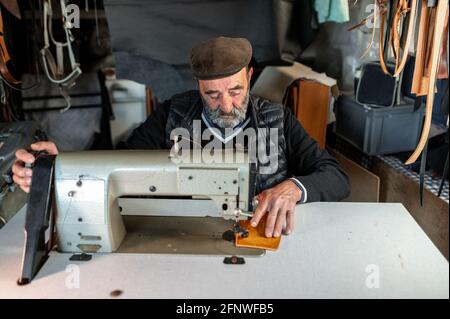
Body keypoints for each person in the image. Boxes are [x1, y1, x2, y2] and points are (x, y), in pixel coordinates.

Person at [13, 36, 350, 238]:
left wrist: (292, 188)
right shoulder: (174, 114)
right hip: (184, 231)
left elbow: (335, 177)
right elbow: (120, 162)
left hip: (263, 232)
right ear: (197, 85)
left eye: (236, 89)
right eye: (212, 94)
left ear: (249, 75)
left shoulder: (277, 119)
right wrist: (60, 166)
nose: (227, 104)